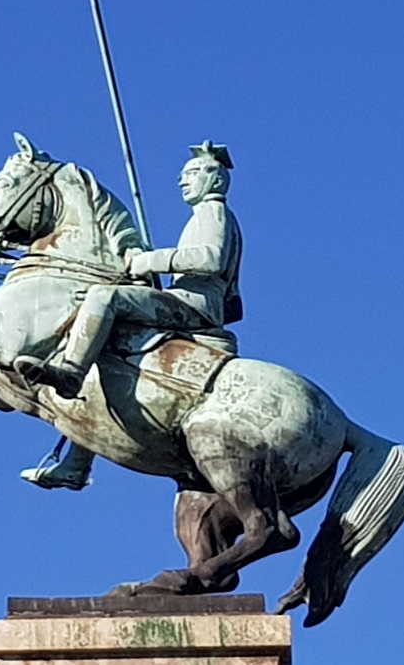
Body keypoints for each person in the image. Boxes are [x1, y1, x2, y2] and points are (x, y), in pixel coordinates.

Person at [16, 140, 243, 489]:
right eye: (183, 175)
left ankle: (70, 373)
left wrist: (147, 261)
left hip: (195, 306)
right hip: (184, 299)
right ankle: (77, 462)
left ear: (214, 180)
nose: (183, 181)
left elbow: (209, 259)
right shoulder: (203, 215)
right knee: (102, 344)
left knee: (103, 299)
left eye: (192, 174)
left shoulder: (214, 213)